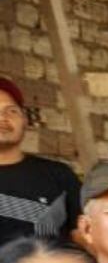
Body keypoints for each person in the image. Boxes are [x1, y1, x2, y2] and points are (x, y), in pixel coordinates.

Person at [0, 78, 81, 245]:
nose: (3, 118)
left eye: (12, 111)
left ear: (24, 120)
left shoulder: (59, 175)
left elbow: (84, 236)